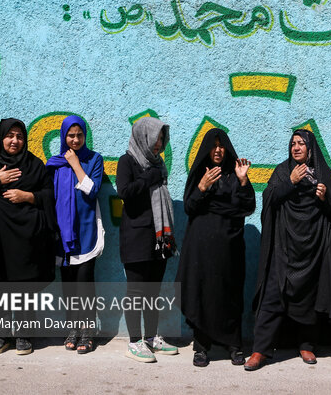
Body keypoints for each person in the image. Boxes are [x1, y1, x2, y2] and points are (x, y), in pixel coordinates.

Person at [244, 129, 331, 371]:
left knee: (308, 297)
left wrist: (325, 199)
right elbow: (269, 200)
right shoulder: (283, 171)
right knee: (272, 295)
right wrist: (290, 182)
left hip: (312, 248)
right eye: (293, 144)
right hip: (283, 246)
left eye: (301, 144)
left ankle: (306, 344)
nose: (296, 148)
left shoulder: (322, 174)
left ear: (311, 149)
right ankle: (260, 350)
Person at [0, 118, 56, 355]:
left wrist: (29, 197)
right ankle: (0, 335)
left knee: (24, 286)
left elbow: (49, 196)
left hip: (26, 237)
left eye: (20, 136)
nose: (15, 141)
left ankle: (24, 335)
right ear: (0, 137)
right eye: (10, 135)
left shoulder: (34, 165)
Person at [176, 128, 255, 367]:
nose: (218, 150)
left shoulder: (235, 173)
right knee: (203, 294)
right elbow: (189, 208)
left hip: (230, 248)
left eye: (222, 145)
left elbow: (248, 207)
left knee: (230, 295)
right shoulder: (200, 172)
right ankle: (201, 347)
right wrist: (201, 188)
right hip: (202, 249)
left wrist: (242, 182)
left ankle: (234, 345)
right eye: (214, 145)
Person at [116, 116, 178, 363]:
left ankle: (152, 338)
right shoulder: (127, 161)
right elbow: (125, 193)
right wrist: (149, 178)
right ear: (143, 136)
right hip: (136, 237)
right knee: (135, 292)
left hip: (159, 237)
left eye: (162, 138)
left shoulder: (157, 164)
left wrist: (153, 174)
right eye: (155, 137)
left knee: (153, 291)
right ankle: (134, 341)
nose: (158, 143)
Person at [46, 115, 104, 354]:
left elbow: (92, 191)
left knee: (84, 284)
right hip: (62, 233)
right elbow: (48, 198)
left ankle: (88, 332)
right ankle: (72, 328)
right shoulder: (54, 164)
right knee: (68, 285)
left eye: (80, 135)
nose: (75, 139)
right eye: (71, 135)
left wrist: (76, 165)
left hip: (86, 230)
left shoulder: (94, 159)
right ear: (63, 136)